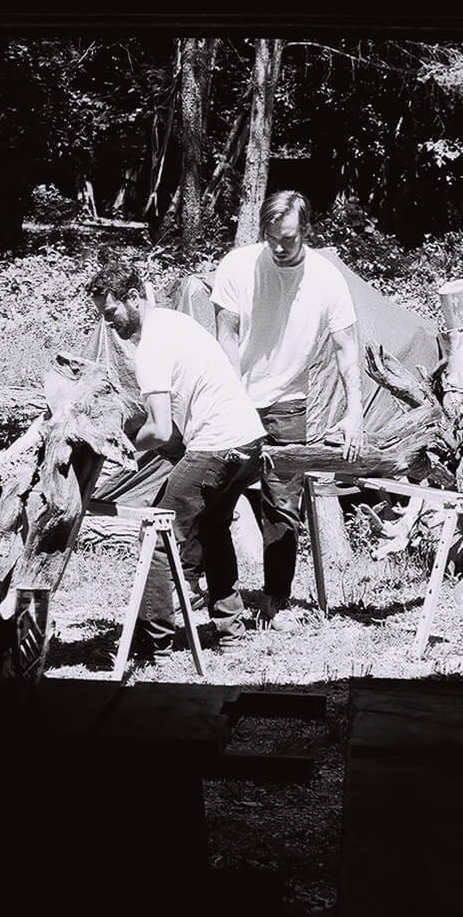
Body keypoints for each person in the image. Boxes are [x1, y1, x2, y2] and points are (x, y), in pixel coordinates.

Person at [87, 261, 266, 658]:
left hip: (217, 445)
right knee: (215, 530)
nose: (109, 323)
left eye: (111, 312)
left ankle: (156, 645)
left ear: (133, 298)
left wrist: (117, 446)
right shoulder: (176, 322)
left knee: (156, 537)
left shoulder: (150, 346)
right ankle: (231, 631)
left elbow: (161, 429)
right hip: (249, 442)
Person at [211, 190, 363, 631]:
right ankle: (220, 598)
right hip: (237, 398)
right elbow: (225, 337)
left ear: (306, 231)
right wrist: (229, 398)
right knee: (215, 496)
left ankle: (275, 600)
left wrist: (354, 412)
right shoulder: (238, 266)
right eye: (272, 237)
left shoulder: (327, 279)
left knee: (281, 505)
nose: (279, 247)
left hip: (289, 402)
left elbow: (346, 347)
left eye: (290, 239)